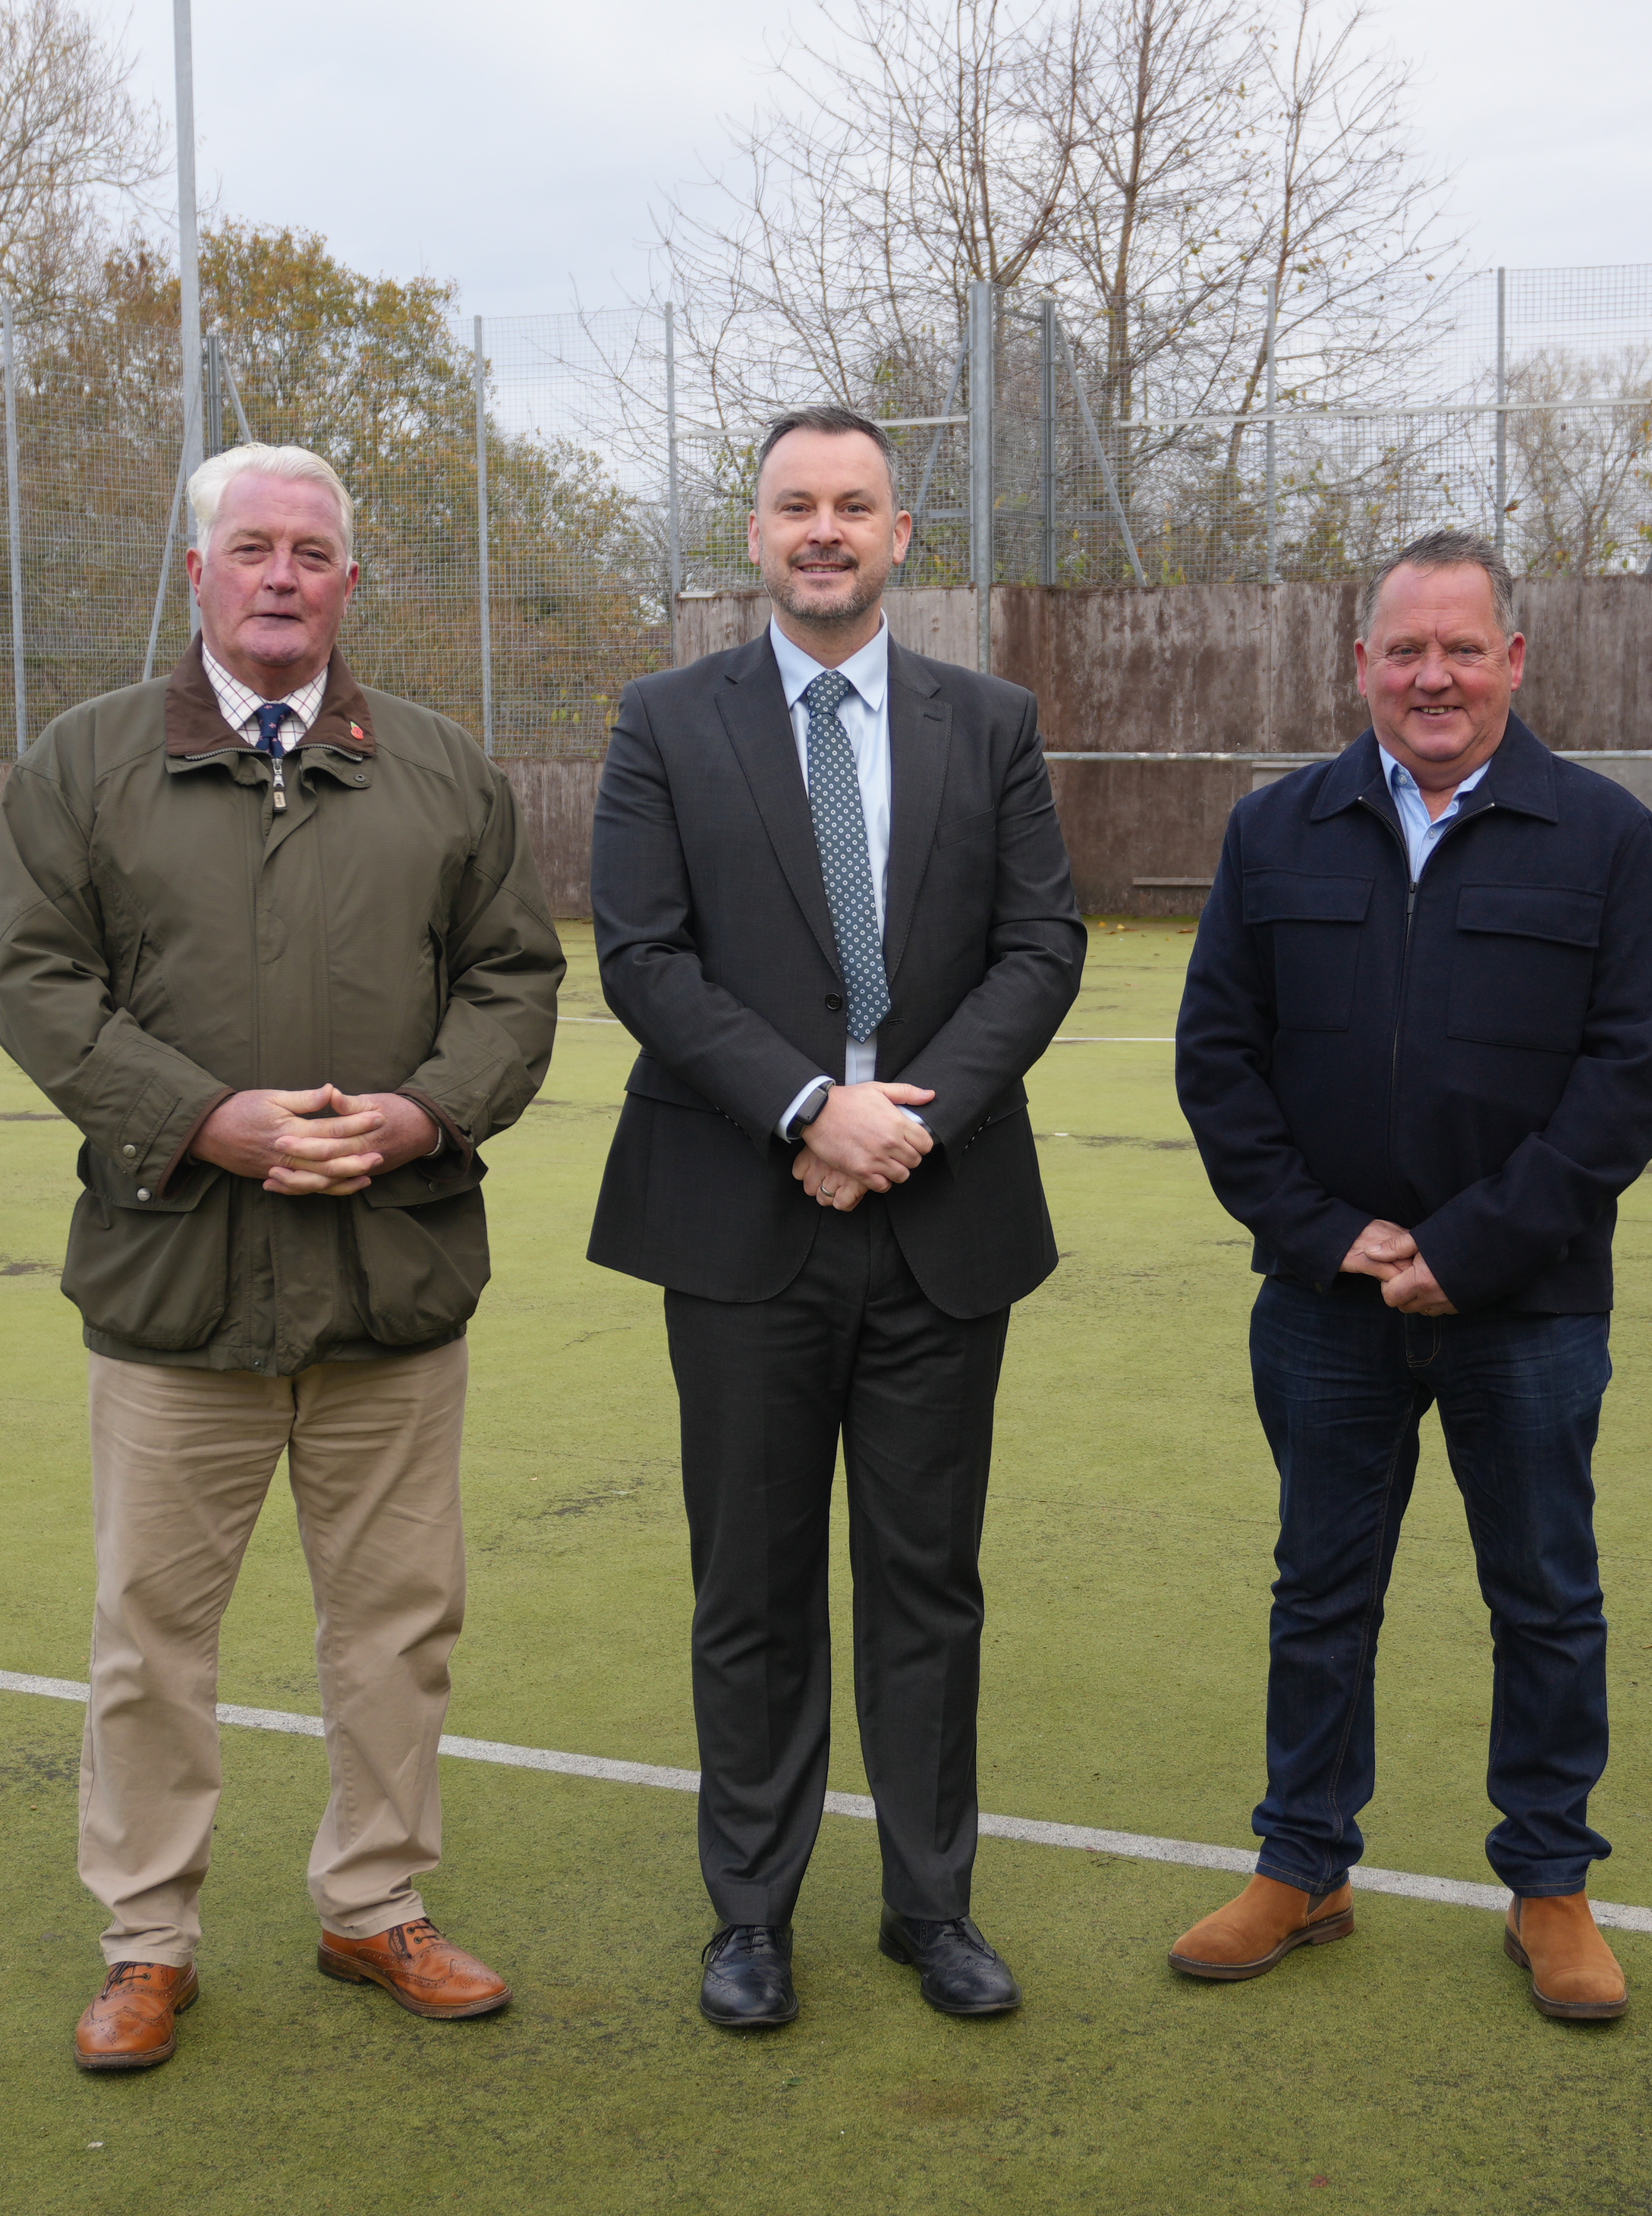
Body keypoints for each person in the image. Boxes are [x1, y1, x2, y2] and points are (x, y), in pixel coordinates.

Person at [0, 441, 562, 2070]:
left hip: (392, 1279)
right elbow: (42, 991)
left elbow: (513, 989)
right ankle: (146, 1936)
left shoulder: (446, 773)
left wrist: (417, 1117)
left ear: (349, 581)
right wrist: (203, 1119)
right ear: (195, 572)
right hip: (175, 1286)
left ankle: (373, 1902)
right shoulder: (83, 765)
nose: (282, 574)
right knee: (148, 1635)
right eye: (251, 546)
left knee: (395, 1620)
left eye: (313, 550)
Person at [588, 406, 1085, 2029]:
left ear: (897, 536)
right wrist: (811, 1108)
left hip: (939, 1218)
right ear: (752, 533)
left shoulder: (988, 720)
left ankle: (928, 1905)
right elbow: (643, 957)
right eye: (794, 505)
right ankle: (751, 1916)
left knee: (927, 1580)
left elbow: (1039, 946)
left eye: (852, 505)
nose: (822, 529)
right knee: (749, 1583)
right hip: (740, 1221)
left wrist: (898, 1121)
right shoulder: (663, 720)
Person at [1166, 527, 1652, 2021]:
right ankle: (1303, 1864)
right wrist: (1334, 1234)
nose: (1432, 674)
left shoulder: (1603, 838)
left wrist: (1465, 1249)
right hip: (1321, 1302)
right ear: (1361, 667)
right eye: (1405, 649)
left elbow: (1629, 1076)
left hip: (1525, 1306)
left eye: (1462, 646)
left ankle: (1548, 1882)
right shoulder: (1277, 830)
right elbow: (1219, 1059)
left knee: (1544, 1597)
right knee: (1317, 1592)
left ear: (1512, 660)